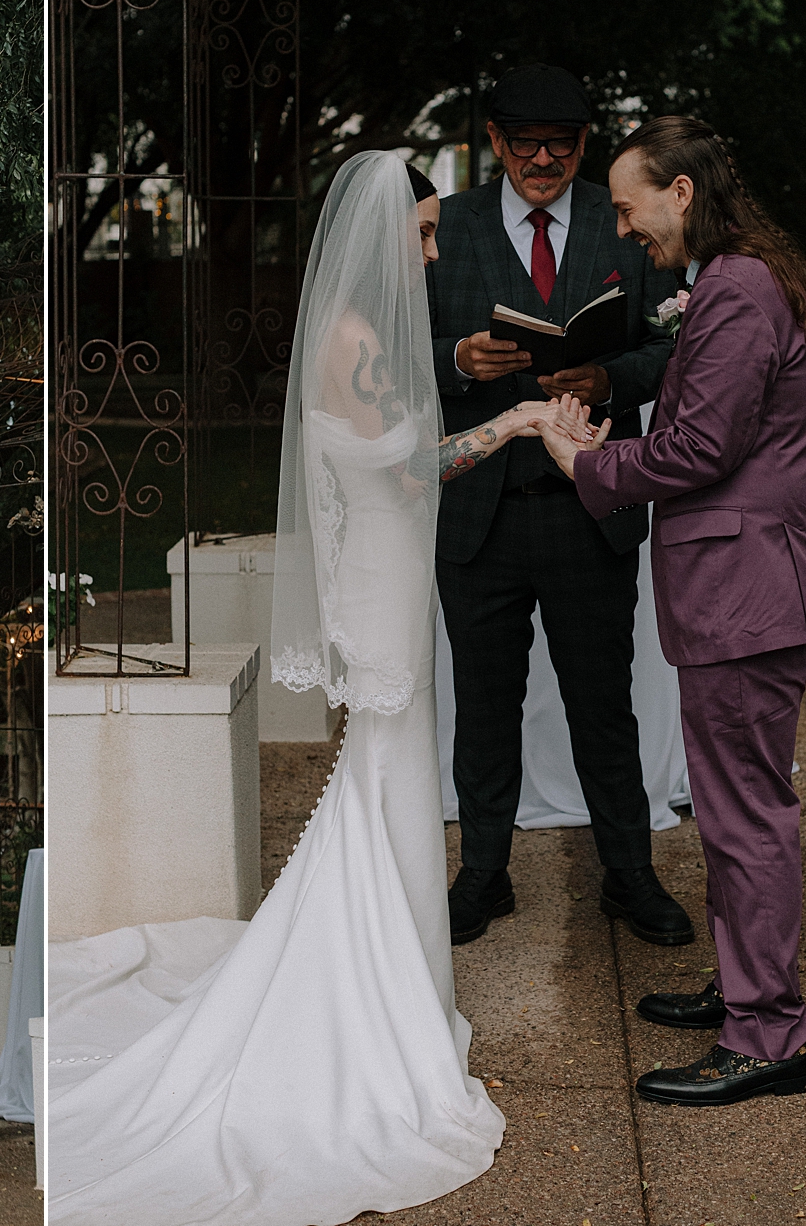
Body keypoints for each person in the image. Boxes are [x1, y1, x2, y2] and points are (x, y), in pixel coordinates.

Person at [47, 152, 587, 1223]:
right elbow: (403, 470)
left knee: (387, 770)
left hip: (392, 574)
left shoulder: (371, 336)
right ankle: (370, 996)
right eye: (423, 234)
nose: (433, 249)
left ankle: (394, 981)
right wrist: (521, 423)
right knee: (384, 765)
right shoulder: (351, 342)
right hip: (383, 586)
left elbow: (409, 459)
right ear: (384, 233)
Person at [532, 115, 806, 1108]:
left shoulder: (739, 291)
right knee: (729, 808)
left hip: (745, 588)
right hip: (746, 580)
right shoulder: (741, 278)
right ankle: (744, 988)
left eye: (628, 208)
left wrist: (584, 460)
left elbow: (697, 450)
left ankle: (766, 1036)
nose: (626, 229)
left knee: (745, 817)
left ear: (680, 191)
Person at [425, 62, 693, 949]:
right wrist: (459, 359)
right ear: (493, 140)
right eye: (524, 141)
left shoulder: (624, 227)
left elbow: (675, 347)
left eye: (562, 143)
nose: (543, 158)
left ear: (584, 144)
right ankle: (483, 875)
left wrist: (609, 375)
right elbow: (383, 349)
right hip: (481, 514)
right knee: (485, 706)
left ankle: (629, 875)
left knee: (601, 703)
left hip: (591, 504)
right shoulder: (449, 224)